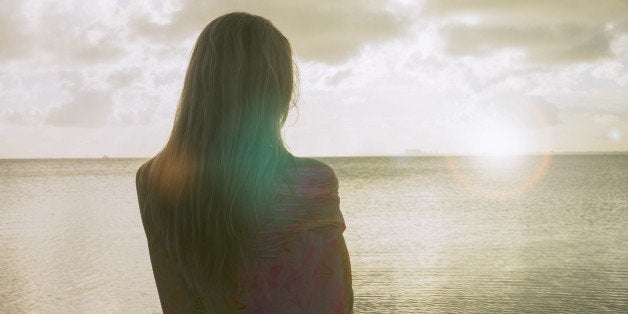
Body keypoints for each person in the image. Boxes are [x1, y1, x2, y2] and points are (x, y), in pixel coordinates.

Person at [135, 12, 353, 313]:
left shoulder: (153, 179)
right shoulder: (313, 181)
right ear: (278, 92)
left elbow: (177, 303)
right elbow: (336, 302)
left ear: (198, 85)